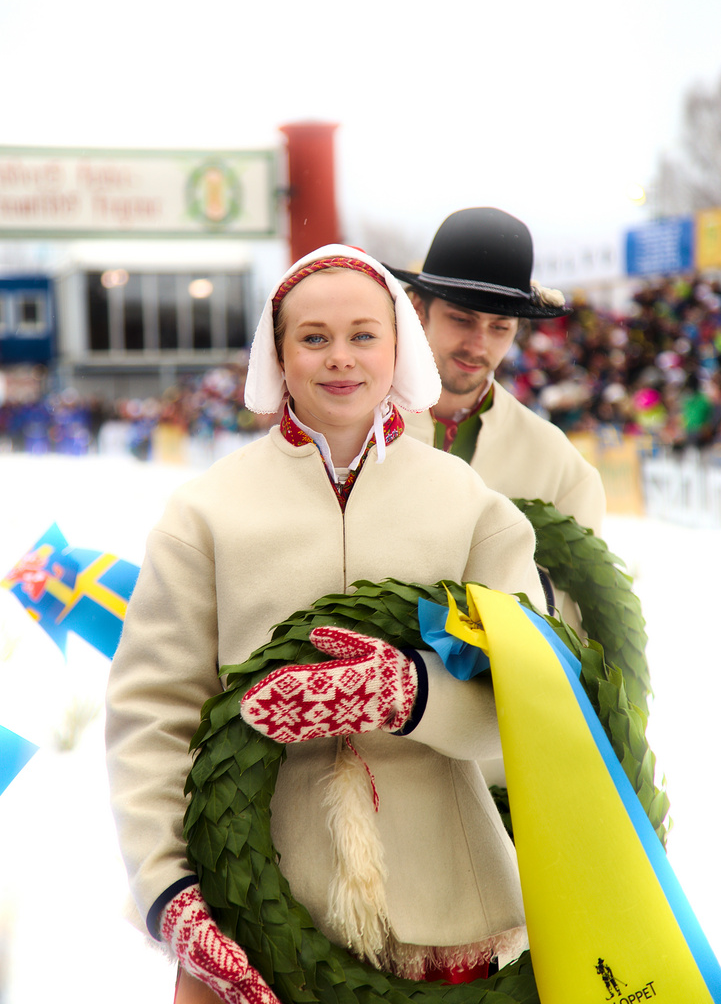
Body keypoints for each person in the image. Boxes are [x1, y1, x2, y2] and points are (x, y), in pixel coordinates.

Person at [105, 245, 546, 1004]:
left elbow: (530, 704)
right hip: (253, 899)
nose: (339, 358)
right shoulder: (205, 515)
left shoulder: (472, 510)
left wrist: (410, 696)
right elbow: (152, 716)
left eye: (362, 335)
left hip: (443, 914)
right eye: (313, 337)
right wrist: (167, 887)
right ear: (277, 354)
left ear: (398, 347)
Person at [388, 207, 606, 633]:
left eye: (500, 327)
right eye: (461, 319)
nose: (478, 344)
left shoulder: (558, 464)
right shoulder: (356, 432)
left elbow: (577, 623)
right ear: (418, 309)